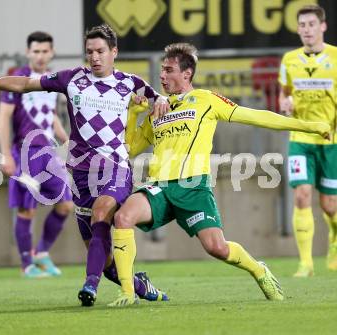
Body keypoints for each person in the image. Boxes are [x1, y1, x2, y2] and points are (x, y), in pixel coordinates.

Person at [0, 24, 169, 306]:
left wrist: (161, 99)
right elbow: (25, 84)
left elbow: (158, 99)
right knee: (104, 258)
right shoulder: (72, 78)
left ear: (114, 52)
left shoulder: (130, 83)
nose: (95, 57)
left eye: (101, 51)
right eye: (90, 51)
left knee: (102, 212)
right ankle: (140, 285)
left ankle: (90, 286)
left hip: (116, 168)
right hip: (82, 174)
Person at [108, 42, 331, 307]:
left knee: (217, 248)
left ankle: (258, 270)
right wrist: (133, 114)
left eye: (169, 70)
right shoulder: (159, 109)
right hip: (160, 187)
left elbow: (256, 117)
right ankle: (127, 292)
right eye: (163, 70)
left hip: (194, 188)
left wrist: (310, 127)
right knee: (122, 217)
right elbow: (130, 147)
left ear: (187, 74)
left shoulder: (206, 100)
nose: (162, 75)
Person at [0, 31, 74, 278]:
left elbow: (50, 115)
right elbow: (3, 117)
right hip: (24, 152)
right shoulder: (17, 79)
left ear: (51, 53)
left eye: (45, 51)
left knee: (66, 204)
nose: (40, 56)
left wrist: (67, 139)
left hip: (48, 153)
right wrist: (5, 155)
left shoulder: (50, 79)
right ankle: (26, 265)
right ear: (28, 52)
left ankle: (41, 253)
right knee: (26, 210)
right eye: (36, 51)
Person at [278, 4, 337, 277]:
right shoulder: (289, 59)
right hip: (300, 138)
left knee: (329, 205)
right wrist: (285, 104)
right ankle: (306, 263)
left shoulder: (336, 57)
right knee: (302, 195)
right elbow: (283, 96)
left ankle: (334, 240)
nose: (307, 30)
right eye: (302, 25)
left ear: (322, 27)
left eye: (312, 24)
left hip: (331, 142)